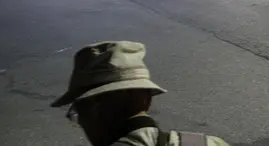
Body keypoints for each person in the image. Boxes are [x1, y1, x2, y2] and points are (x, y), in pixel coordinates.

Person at [52, 41, 231, 146]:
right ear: (147, 100)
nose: (81, 123)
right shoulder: (209, 143)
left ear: (95, 108)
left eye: (78, 113)